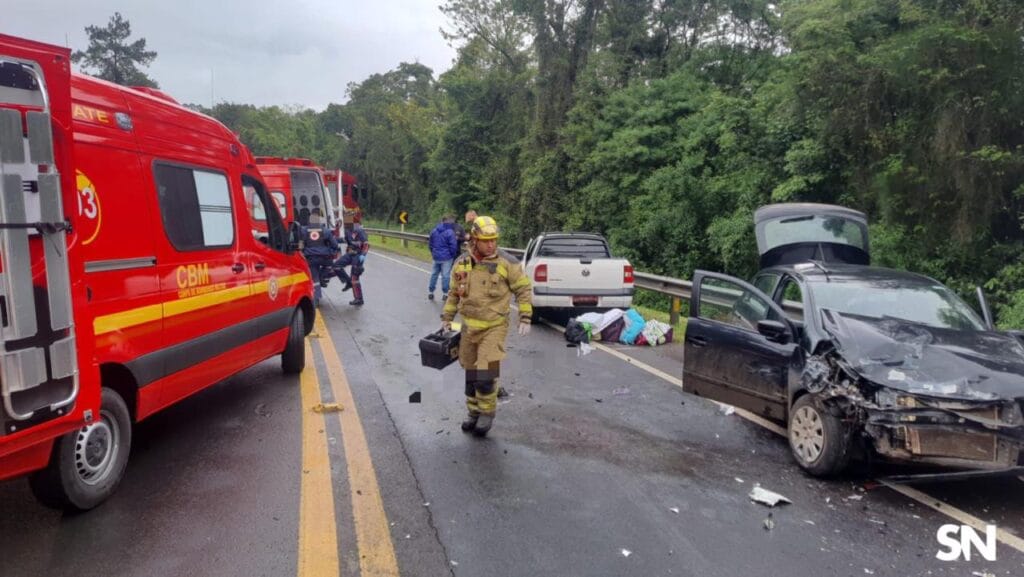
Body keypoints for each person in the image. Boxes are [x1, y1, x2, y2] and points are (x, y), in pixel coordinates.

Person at [441, 215, 533, 437]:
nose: (491, 244)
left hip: (494, 327)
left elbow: (523, 289)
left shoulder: (507, 263)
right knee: (471, 373)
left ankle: (487, 413)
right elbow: (454, 294)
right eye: (486, 240)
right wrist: (447, 317)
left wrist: (525, 316)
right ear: (474, 240)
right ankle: (473, 413)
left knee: (485, 373)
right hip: (468, 328)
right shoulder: (462, 263)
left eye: (494, 240)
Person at [300, 213, 339, 307]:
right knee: (329, 266)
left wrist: (302, 252)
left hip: (310, 258)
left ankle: (316, 299)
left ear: (309, 220)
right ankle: (323, 277)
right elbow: (335, 245)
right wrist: (330, 252)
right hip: (324, 257)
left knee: (315, 278)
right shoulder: (326, 230)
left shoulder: (303, 230)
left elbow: (300, 245)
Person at [333, 209, 369, 306]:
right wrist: (333, 239)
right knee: (336, 266)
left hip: (358, 255)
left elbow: (366, 244)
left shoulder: (360, 231)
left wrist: (363, 255)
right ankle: (347, 282)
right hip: (350, 254)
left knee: (355, 277)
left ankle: (359, 299)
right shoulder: (348, 231)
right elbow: (344, 239)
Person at [428, 215, 460, 300]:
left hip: (436, 256)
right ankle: (445, 293)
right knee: (445, 275)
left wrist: (433, 252)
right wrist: (452, 255)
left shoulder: (434, 230)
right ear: (449, 221)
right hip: (446, 258)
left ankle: (431, 292)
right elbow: (453, 246)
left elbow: (430, 244)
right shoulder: (450, 232)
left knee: (434, 274)